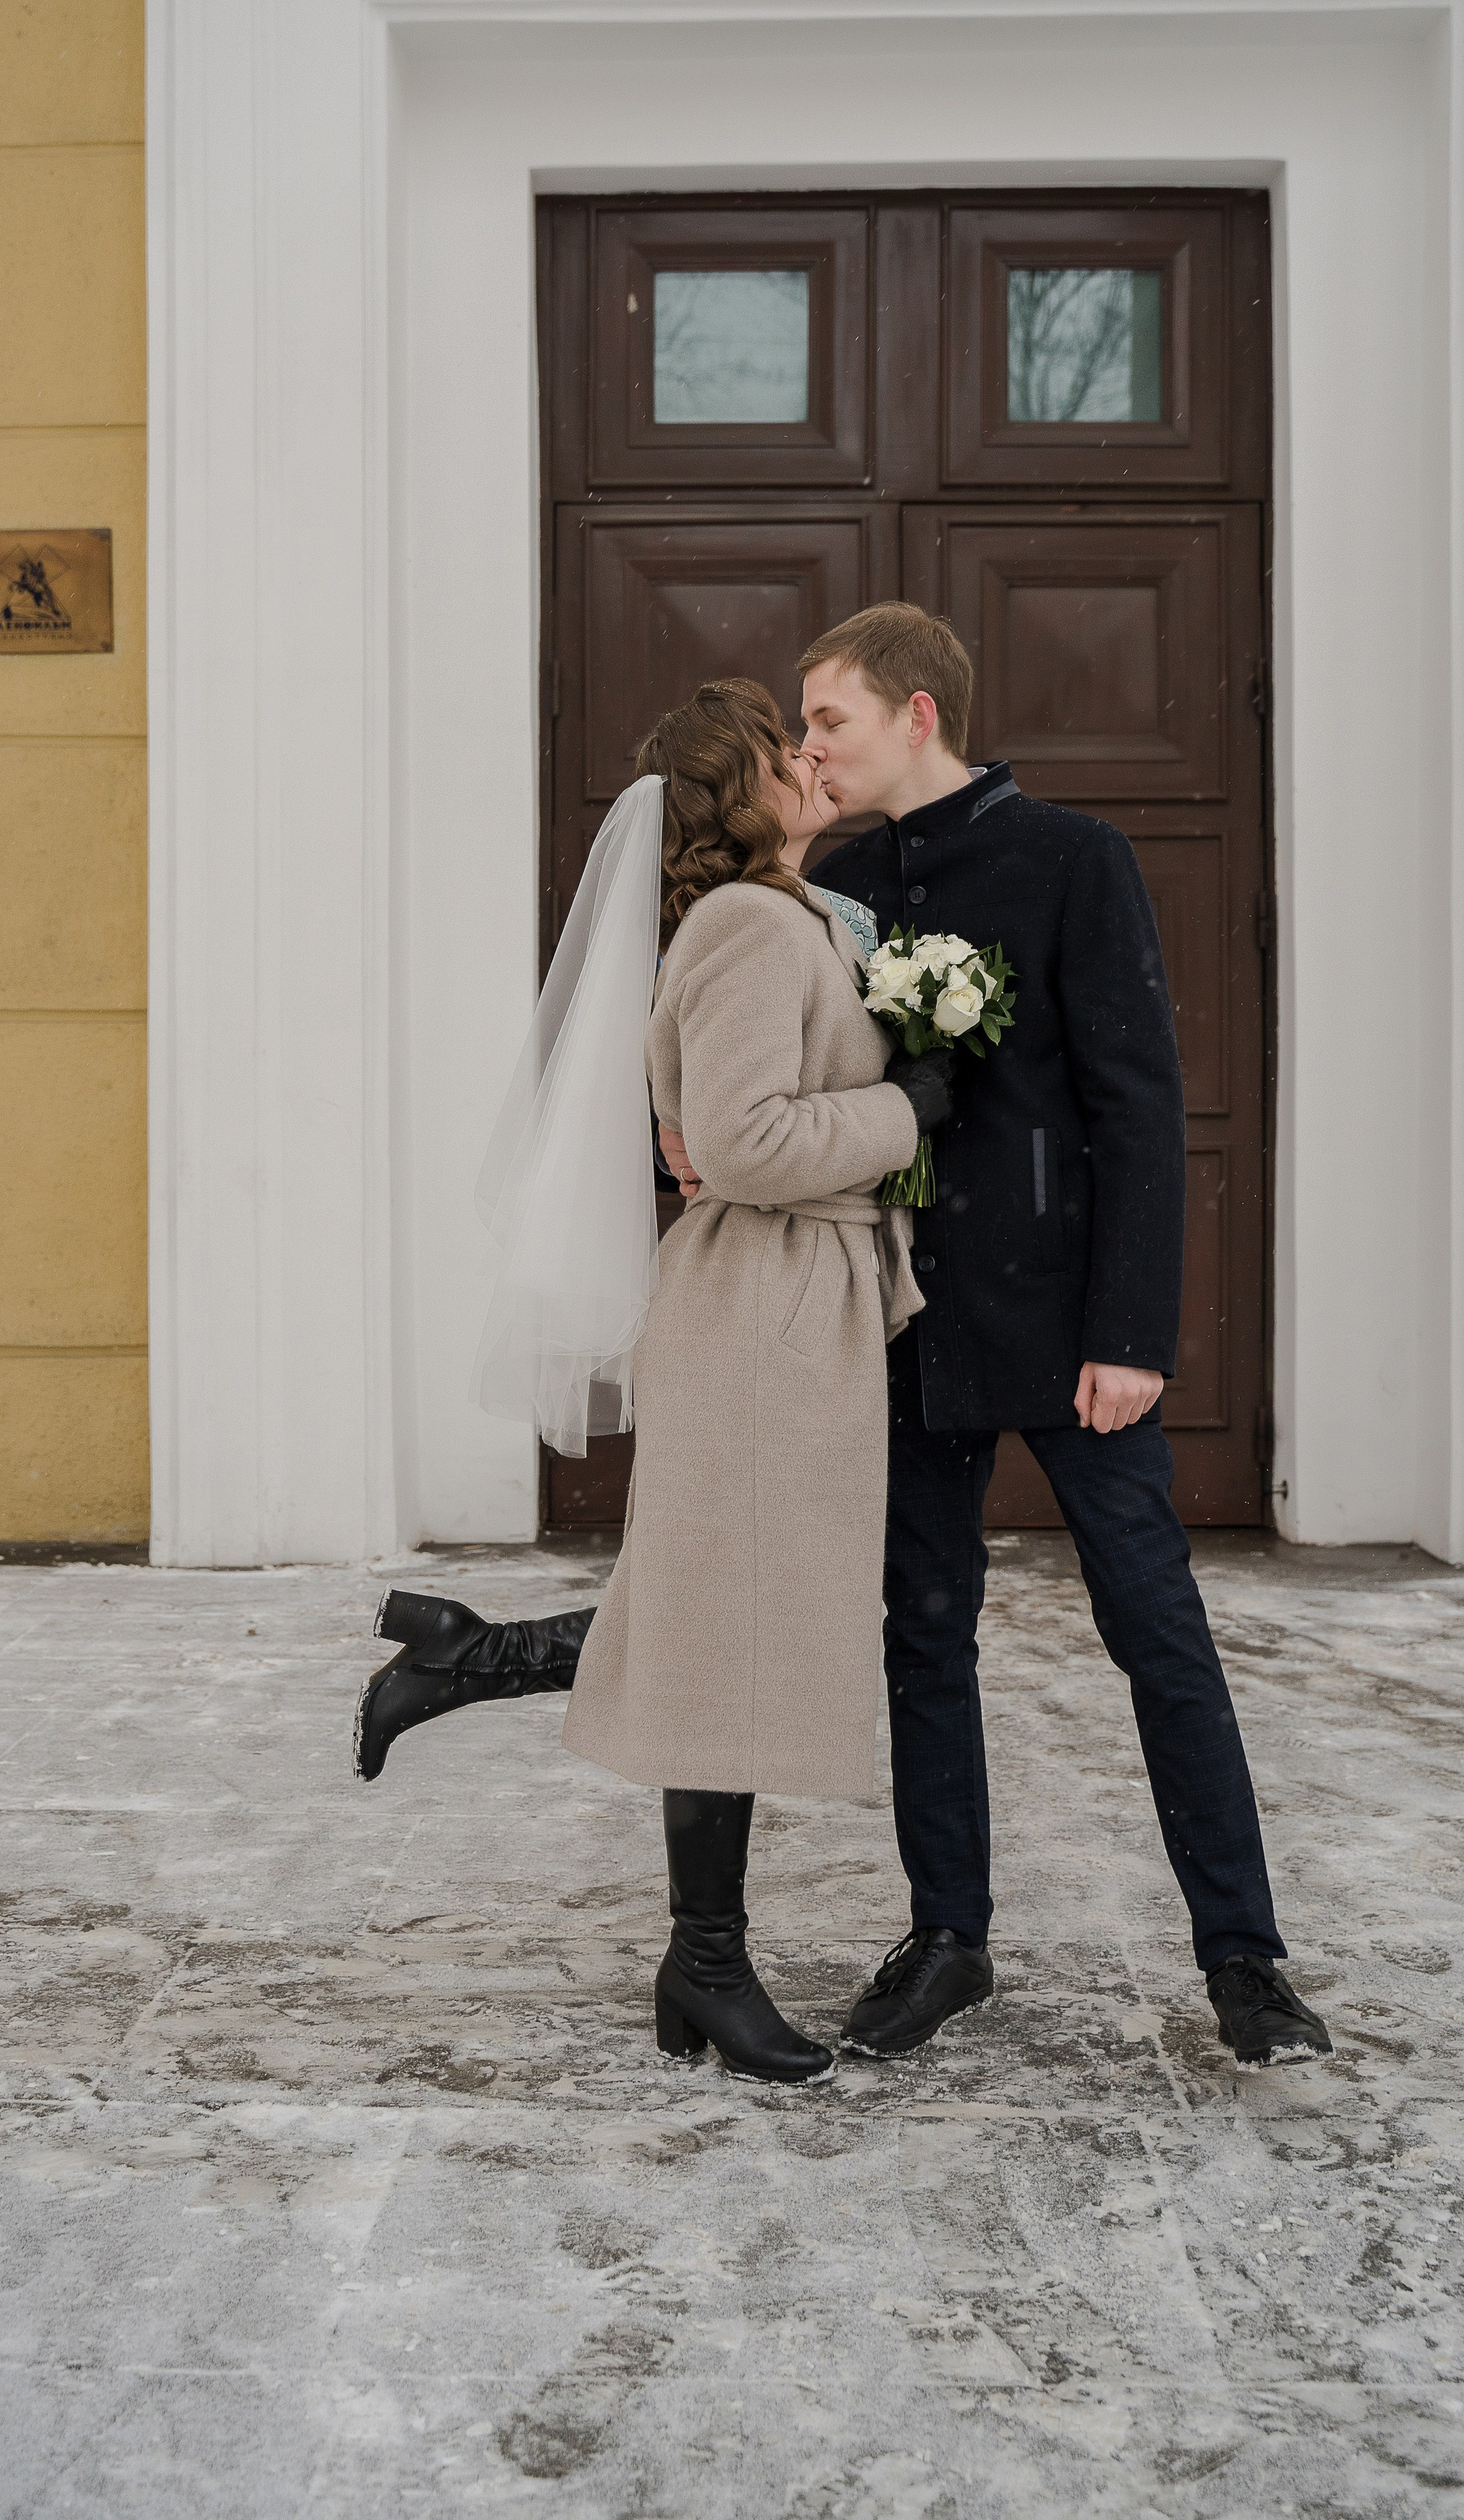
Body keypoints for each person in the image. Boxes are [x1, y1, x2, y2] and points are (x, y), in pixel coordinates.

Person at [660, 603, 1331, 2070]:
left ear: (915, 714)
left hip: (1073, 1332)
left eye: (824, 717)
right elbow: (764, 1070)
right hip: (898, 1325)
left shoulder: (1071, 858)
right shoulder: (827, 888)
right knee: (921, 1635)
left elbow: (1137, 1106)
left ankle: (1243, 1959)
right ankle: (945, 1935)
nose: (807, 745)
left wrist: (1132, 1332)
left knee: (1154, 1631)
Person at [354, 679, 951, 2084]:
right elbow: (741, 1145)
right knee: (723, 1629)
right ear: (732, 791)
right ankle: (704, 1962)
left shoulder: (784, 914)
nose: (806, 757)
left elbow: (724, 1123)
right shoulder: (747, 924)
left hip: (788, 1310)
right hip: (760, 1313)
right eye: (776, 747)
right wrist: (904, 1108)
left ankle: (471, 1661)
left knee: (717, 1617)